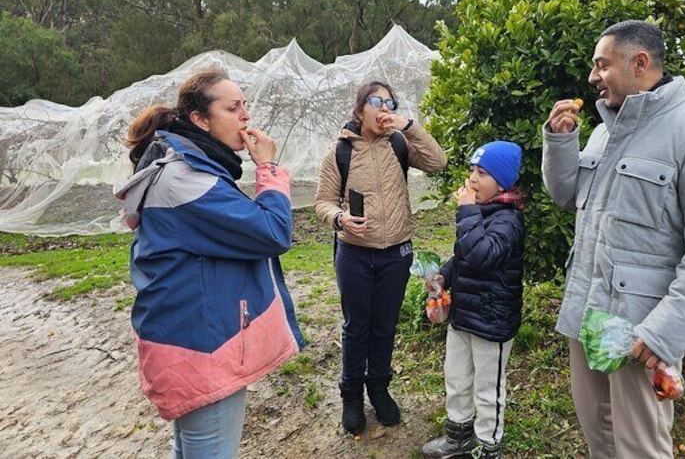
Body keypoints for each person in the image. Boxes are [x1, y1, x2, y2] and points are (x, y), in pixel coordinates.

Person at [542, 20, 685, 458]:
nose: (592, 77)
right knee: (598, 434)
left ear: (639, 63)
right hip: (589, 317)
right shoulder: (606, 131)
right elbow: (566, 195)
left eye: (601, 65)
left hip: (640, 332)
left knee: (640, 447)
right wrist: (561, 142)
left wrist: (662, 335)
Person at [114, 69, 305, 458]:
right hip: (202, 346)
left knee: (189, 449)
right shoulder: (186, 179)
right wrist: (268, 170)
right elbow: (272, 231)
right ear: (200, 120)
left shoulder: (184, 164)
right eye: (233, 108)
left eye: (245, 106)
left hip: (184, 337)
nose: (246, 117)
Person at [313, 81, 447, 435]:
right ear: (360, 110)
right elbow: (322, 201)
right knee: (357, 327)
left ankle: (379, 387)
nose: (385, 107)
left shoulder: (400, 144)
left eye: (390, 102)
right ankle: (352, 395)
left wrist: (409, 126)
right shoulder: (340, 151)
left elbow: (438, 161)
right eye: (377, 101)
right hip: (355, 253)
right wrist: (339, 218)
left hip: (396, 253)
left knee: (385, 325)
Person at [420, 141, 526, 459]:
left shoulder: (508, 220)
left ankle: (487, 446)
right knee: (457, 378)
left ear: (502, 182)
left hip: (491, 324)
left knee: (487, 389)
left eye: (482, 172)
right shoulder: (481, 213)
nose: (473, 178)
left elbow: (482, 255)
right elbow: (464, 256)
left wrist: (466, 212)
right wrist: (443, 276)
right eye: (472, 171)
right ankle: (458, 435)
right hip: (464, 316)